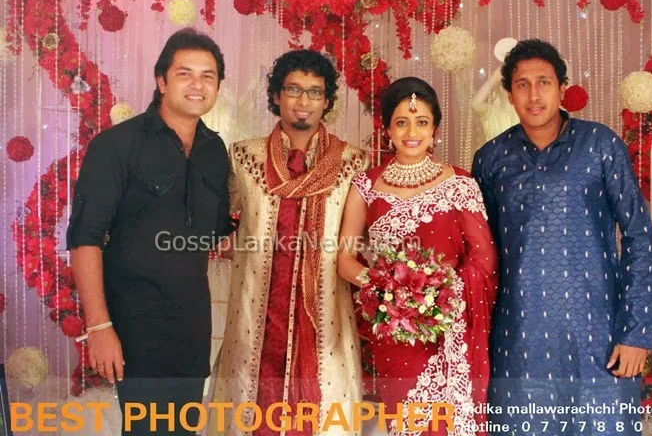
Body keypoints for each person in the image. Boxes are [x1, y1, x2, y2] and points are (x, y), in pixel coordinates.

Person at [472, 39, 652, 435]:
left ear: (562, 88)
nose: (534, 95)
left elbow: (639, 236)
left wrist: (636, 332)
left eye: (544, 82)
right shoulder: (491, 159)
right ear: (509, 95)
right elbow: (482, 255)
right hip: (518, 342)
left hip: (599, 338)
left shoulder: (600, 145)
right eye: (522, 85)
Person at [67, 28, 232, 435]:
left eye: (208, 76)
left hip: (192, 328)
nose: (197, 85)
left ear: (217, 86)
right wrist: (99, 327)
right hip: (134, 326)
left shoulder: (215, 150)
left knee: (183, 430)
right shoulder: (116, 146)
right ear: (161, 81)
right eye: (184, 74)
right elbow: (85, 238)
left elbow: (214, 234)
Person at [209, 49, 369, 436]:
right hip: (257, 314)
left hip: (324, 313)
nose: (303, 101)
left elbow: (355, 241)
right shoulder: (243, 157)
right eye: (294, 89)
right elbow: (224, 224)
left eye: (315, 92)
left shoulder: (352, 162)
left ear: (327, 101)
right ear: (277, 95)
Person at [337, 77, 498, 435]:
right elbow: (345, 259)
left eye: (421, 122)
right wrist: (390, 291)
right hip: (395, 332)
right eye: (402, 122)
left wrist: (436, 296)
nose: (412, 132)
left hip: (449, 326)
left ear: (434, 128)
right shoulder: (365, 185)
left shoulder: (460, 184)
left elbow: (483, 261)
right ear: (387, 129)